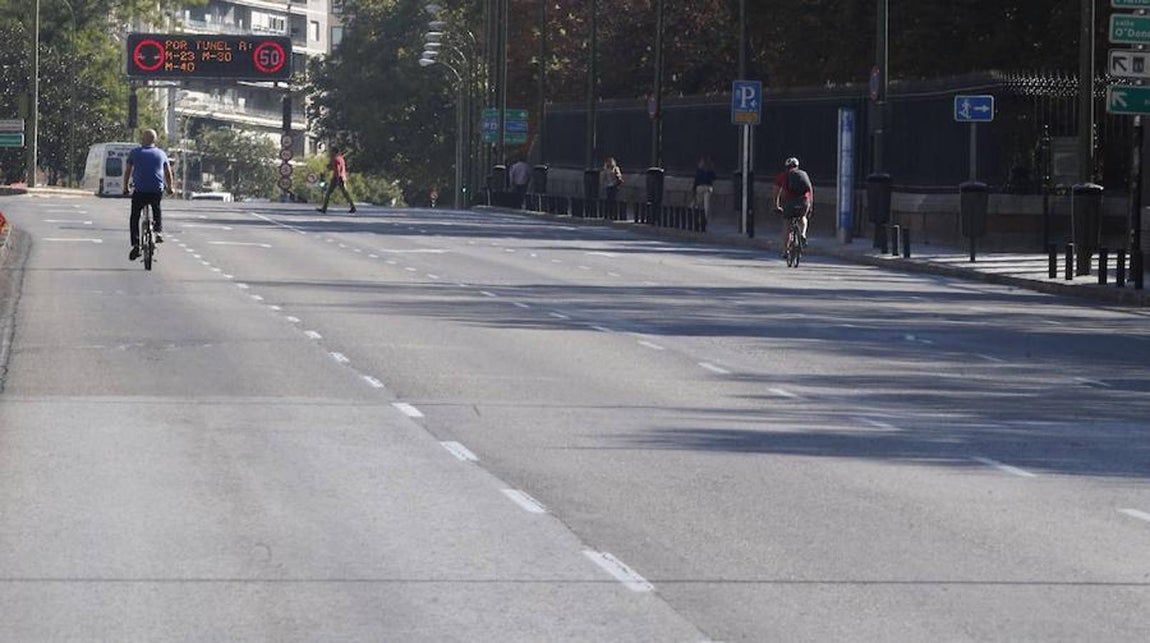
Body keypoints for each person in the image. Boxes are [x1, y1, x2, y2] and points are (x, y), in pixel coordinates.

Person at [122, 129, 174, 261]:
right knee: (156, 208)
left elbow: (128, 171)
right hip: (156, 190)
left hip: (140, 191)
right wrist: (170, 188)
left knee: (135, 216)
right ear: (155, 140)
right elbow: (168, 173)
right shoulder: (161, 153)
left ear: (142, 139)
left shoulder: (135, 153)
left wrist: (126, 187)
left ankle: (135, 244)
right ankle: (158, 231)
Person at [773, 156, 812, 251]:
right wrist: (810, 206)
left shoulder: (782, 176)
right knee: (803, 217)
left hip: (789, 203)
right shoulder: (803, 175)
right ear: (797, 166)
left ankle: (785, 250)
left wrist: (776, 205)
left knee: (787, 224)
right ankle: (803, 234)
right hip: (804, 202)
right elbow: (810, 190)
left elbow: (776, 192)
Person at [317, 146, 356, 214]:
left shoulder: (336, 159)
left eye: (331, 151)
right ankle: (353, 207)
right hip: (343, 177)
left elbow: (337, 170)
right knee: (346, 193)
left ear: (334, 152)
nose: (330, 153)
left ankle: (324, 208)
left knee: (328, 193)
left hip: (337, 178)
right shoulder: (341, 159)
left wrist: (337, 179)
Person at [691, 156, 717, 222]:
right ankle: (705, 218)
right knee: (706, 203)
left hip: (700, 187)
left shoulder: (699, 171)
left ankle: (697, 216)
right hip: (708, 187)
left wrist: (694, 190)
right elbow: (714, 178)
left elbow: (696, 181)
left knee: (698, 203)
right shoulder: (710, 170)